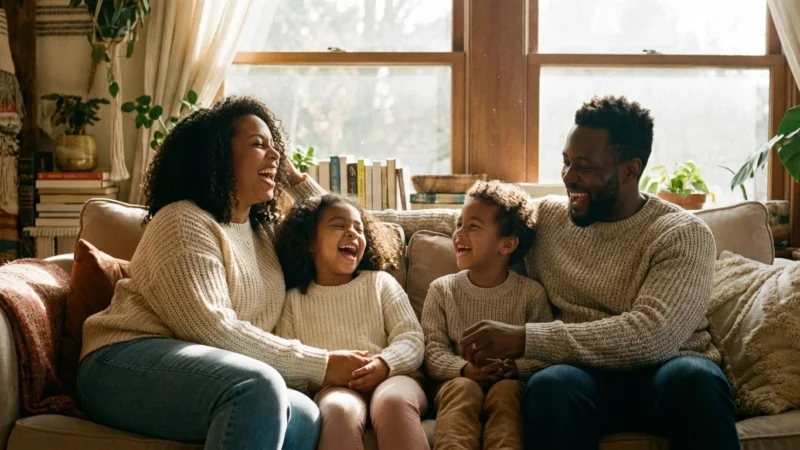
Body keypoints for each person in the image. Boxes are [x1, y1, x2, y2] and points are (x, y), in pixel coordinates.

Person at [373, 96, 740, 450]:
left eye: (585, 167)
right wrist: (338, 217)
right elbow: (478, 221)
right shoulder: (550, 216)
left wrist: (525, 339)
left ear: (630, 169)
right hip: (582, 376)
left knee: (697, 380)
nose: (569, 177)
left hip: (668, 372)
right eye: (566, 162)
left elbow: (652, 335)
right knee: (551, 383)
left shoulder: (682, 234)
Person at [76, 96, 370, 450]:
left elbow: (337, 226)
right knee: (257, 386)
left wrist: (293, 178)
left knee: (305, 413)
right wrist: (320, 364)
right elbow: (211, 329)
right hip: (121, 362)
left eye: (276, 148)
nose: (275, 156)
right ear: (217, 155)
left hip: (213, 372)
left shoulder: (262, 232)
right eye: (258, 145)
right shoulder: (183, 221)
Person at [275, 194, 429, 450]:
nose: (352, 233)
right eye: (339, 225)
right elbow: (289, 367)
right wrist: (325, 375)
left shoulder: (380, 283)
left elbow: (411, 338)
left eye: (359, 229)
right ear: (310, 242)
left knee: (392, 402)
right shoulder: (293, 301)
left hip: (394, 378)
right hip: (334, 389)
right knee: (338, 410)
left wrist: (384, 364)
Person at [421, 180, 552, 450]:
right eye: (459, 224)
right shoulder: (442, 290)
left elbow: (544, 354)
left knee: (506, 393)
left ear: (507, 245)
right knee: (463, 389)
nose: (459, 234)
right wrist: (464, 370)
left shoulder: (530, 294)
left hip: (508, 384)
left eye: (473, 226)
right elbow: (431, 351)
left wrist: (515, 369)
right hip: (455, 383)